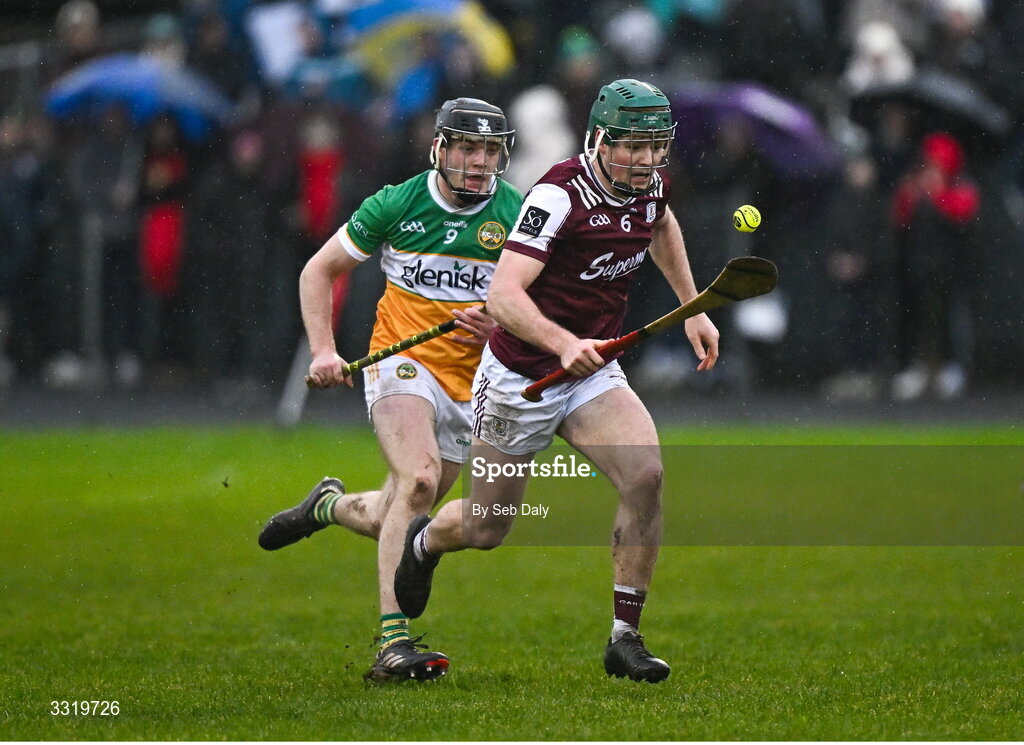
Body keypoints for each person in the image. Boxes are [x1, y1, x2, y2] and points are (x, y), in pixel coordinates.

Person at [393, 79, 720, 683]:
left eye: (656, 146)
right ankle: (423, 543)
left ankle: (625, 636)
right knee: (487, 529)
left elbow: (662, 225)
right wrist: (564, 344)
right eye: (632, 146)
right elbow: (504, 295)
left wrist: (692, 305)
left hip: (593, 374)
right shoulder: (559, 196)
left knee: (645, 475)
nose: (646, 161)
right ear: (599, 139)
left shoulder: (650, 188)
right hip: (522, 377)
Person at [258, 98, 521, 681]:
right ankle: (392, 645)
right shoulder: (397, 203)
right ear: (440, 148)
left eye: (489, 150)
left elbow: (538, 305)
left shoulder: (517, 213)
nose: (479, 162)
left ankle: (325, 505)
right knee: (420, 480)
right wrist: (325, 350)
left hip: (471, 384)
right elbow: (317, 271)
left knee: (395, 513)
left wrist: (503, 323)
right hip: (400, 364)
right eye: (467, 148)